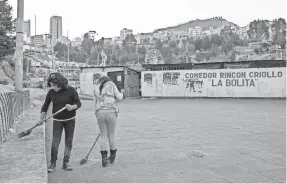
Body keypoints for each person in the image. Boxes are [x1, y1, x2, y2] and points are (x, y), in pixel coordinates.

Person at [39, 72, 82, 173]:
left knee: (68, 142)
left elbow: (79, 103)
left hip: (70, 120)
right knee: (55, 142)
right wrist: (41, 119)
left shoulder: (71, 90)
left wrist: (72, 107)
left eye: (54, 85)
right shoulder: (51, 92)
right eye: (51, 85)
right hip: (57, 121)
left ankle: (65, 162)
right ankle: (53, 163)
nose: (53, 87)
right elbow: (45, 106)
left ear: (60, 83)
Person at [94, 75, 123, 167]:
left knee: (103, 135)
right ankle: (112, 156)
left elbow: (95, 102)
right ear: (108, 80)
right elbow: (119, 97)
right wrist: (121, 93)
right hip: (111, 111)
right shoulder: (111, 84)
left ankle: (104, 160)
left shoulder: (97, 88)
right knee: (111, 134)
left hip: (100, 112)